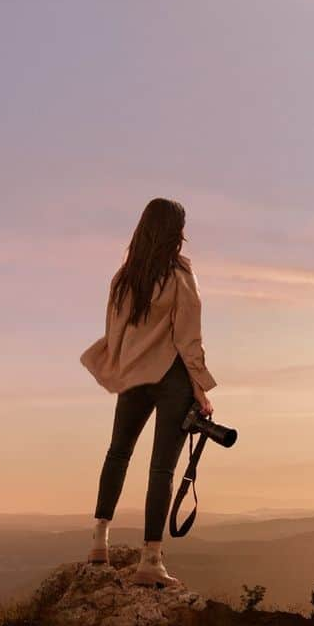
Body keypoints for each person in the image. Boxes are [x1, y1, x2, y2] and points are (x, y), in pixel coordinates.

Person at [80, 197, 217, 587]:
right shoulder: (178, 275)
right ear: (176, 232)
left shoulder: (125, 278)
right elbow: (189, 338)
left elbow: (115, 332)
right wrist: (201, 390)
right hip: (172, 379)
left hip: (134, 376)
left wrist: (121, 367)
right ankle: (150, 559)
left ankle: (98, 541)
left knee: (117, 453)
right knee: (162, 468)